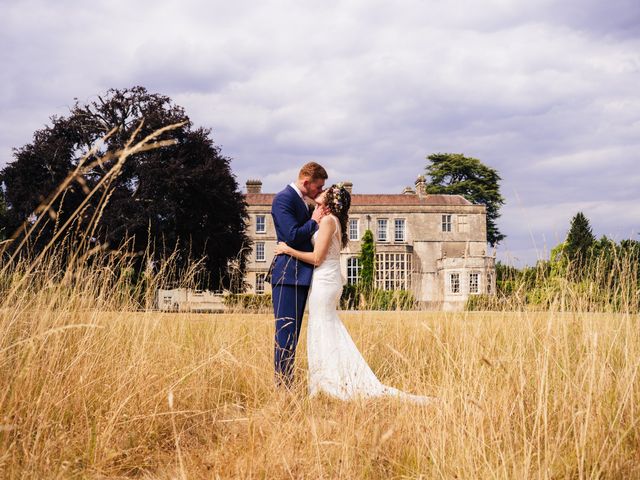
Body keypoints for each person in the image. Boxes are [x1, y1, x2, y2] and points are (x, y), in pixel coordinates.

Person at [274, 184, 436, 404]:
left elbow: (316, 258)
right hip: (325, 280)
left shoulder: (329, 222)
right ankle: (326, 380)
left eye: (324, 190)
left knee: (322, 327)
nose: (320, 191)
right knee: (325, 327)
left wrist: (287, 249)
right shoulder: (328, 219)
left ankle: (331, 383)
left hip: (324, 281)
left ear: (331, 200)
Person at [270, 162, 328, 387]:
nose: (320, 192)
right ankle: (283, 386)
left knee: (293, 335)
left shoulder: (303, 202)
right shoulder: (283, 199)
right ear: (306, 182)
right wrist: (314, 220)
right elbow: (292, 236)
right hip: (287, 276)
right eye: (318, 187)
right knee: (285, 335)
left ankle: (288, 381)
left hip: (300, 276)